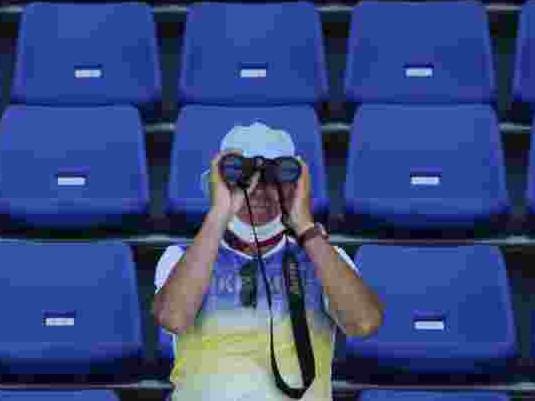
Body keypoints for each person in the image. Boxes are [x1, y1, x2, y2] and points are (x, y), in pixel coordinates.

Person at [152, 122, 384, 401]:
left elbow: (364, 323)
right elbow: (173, 317)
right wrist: (220, 212)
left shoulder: (322, 258)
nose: (259, 190)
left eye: (274, 178)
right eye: (245, 177)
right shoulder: (181, 257)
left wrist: (305, 225)